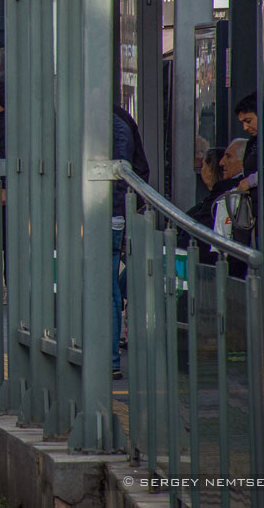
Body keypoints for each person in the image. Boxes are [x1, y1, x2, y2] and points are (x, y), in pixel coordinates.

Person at [111, 105, 149, 379]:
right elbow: (141, 169)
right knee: (110, 279)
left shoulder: (106, 123)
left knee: (104, 283)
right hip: (116, 213)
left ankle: (109, 355)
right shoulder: (123, 119)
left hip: (104, 213)